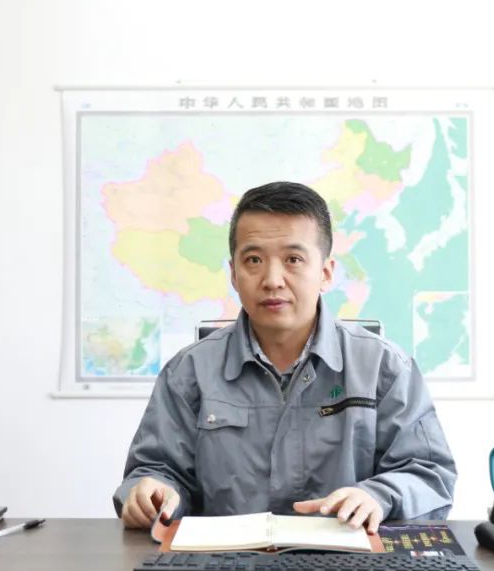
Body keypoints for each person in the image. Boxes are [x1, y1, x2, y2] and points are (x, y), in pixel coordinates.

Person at [113, 181, 456, 533]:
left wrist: (378, 496)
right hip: (224, 560)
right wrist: (153, 492)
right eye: (254, 260)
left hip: (349, 559)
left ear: (325, 273)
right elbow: (154, 471)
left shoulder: (384, 368)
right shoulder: (188, 372)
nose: (272, 280)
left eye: (293, 260)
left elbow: (429, 476)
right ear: (234, 274)